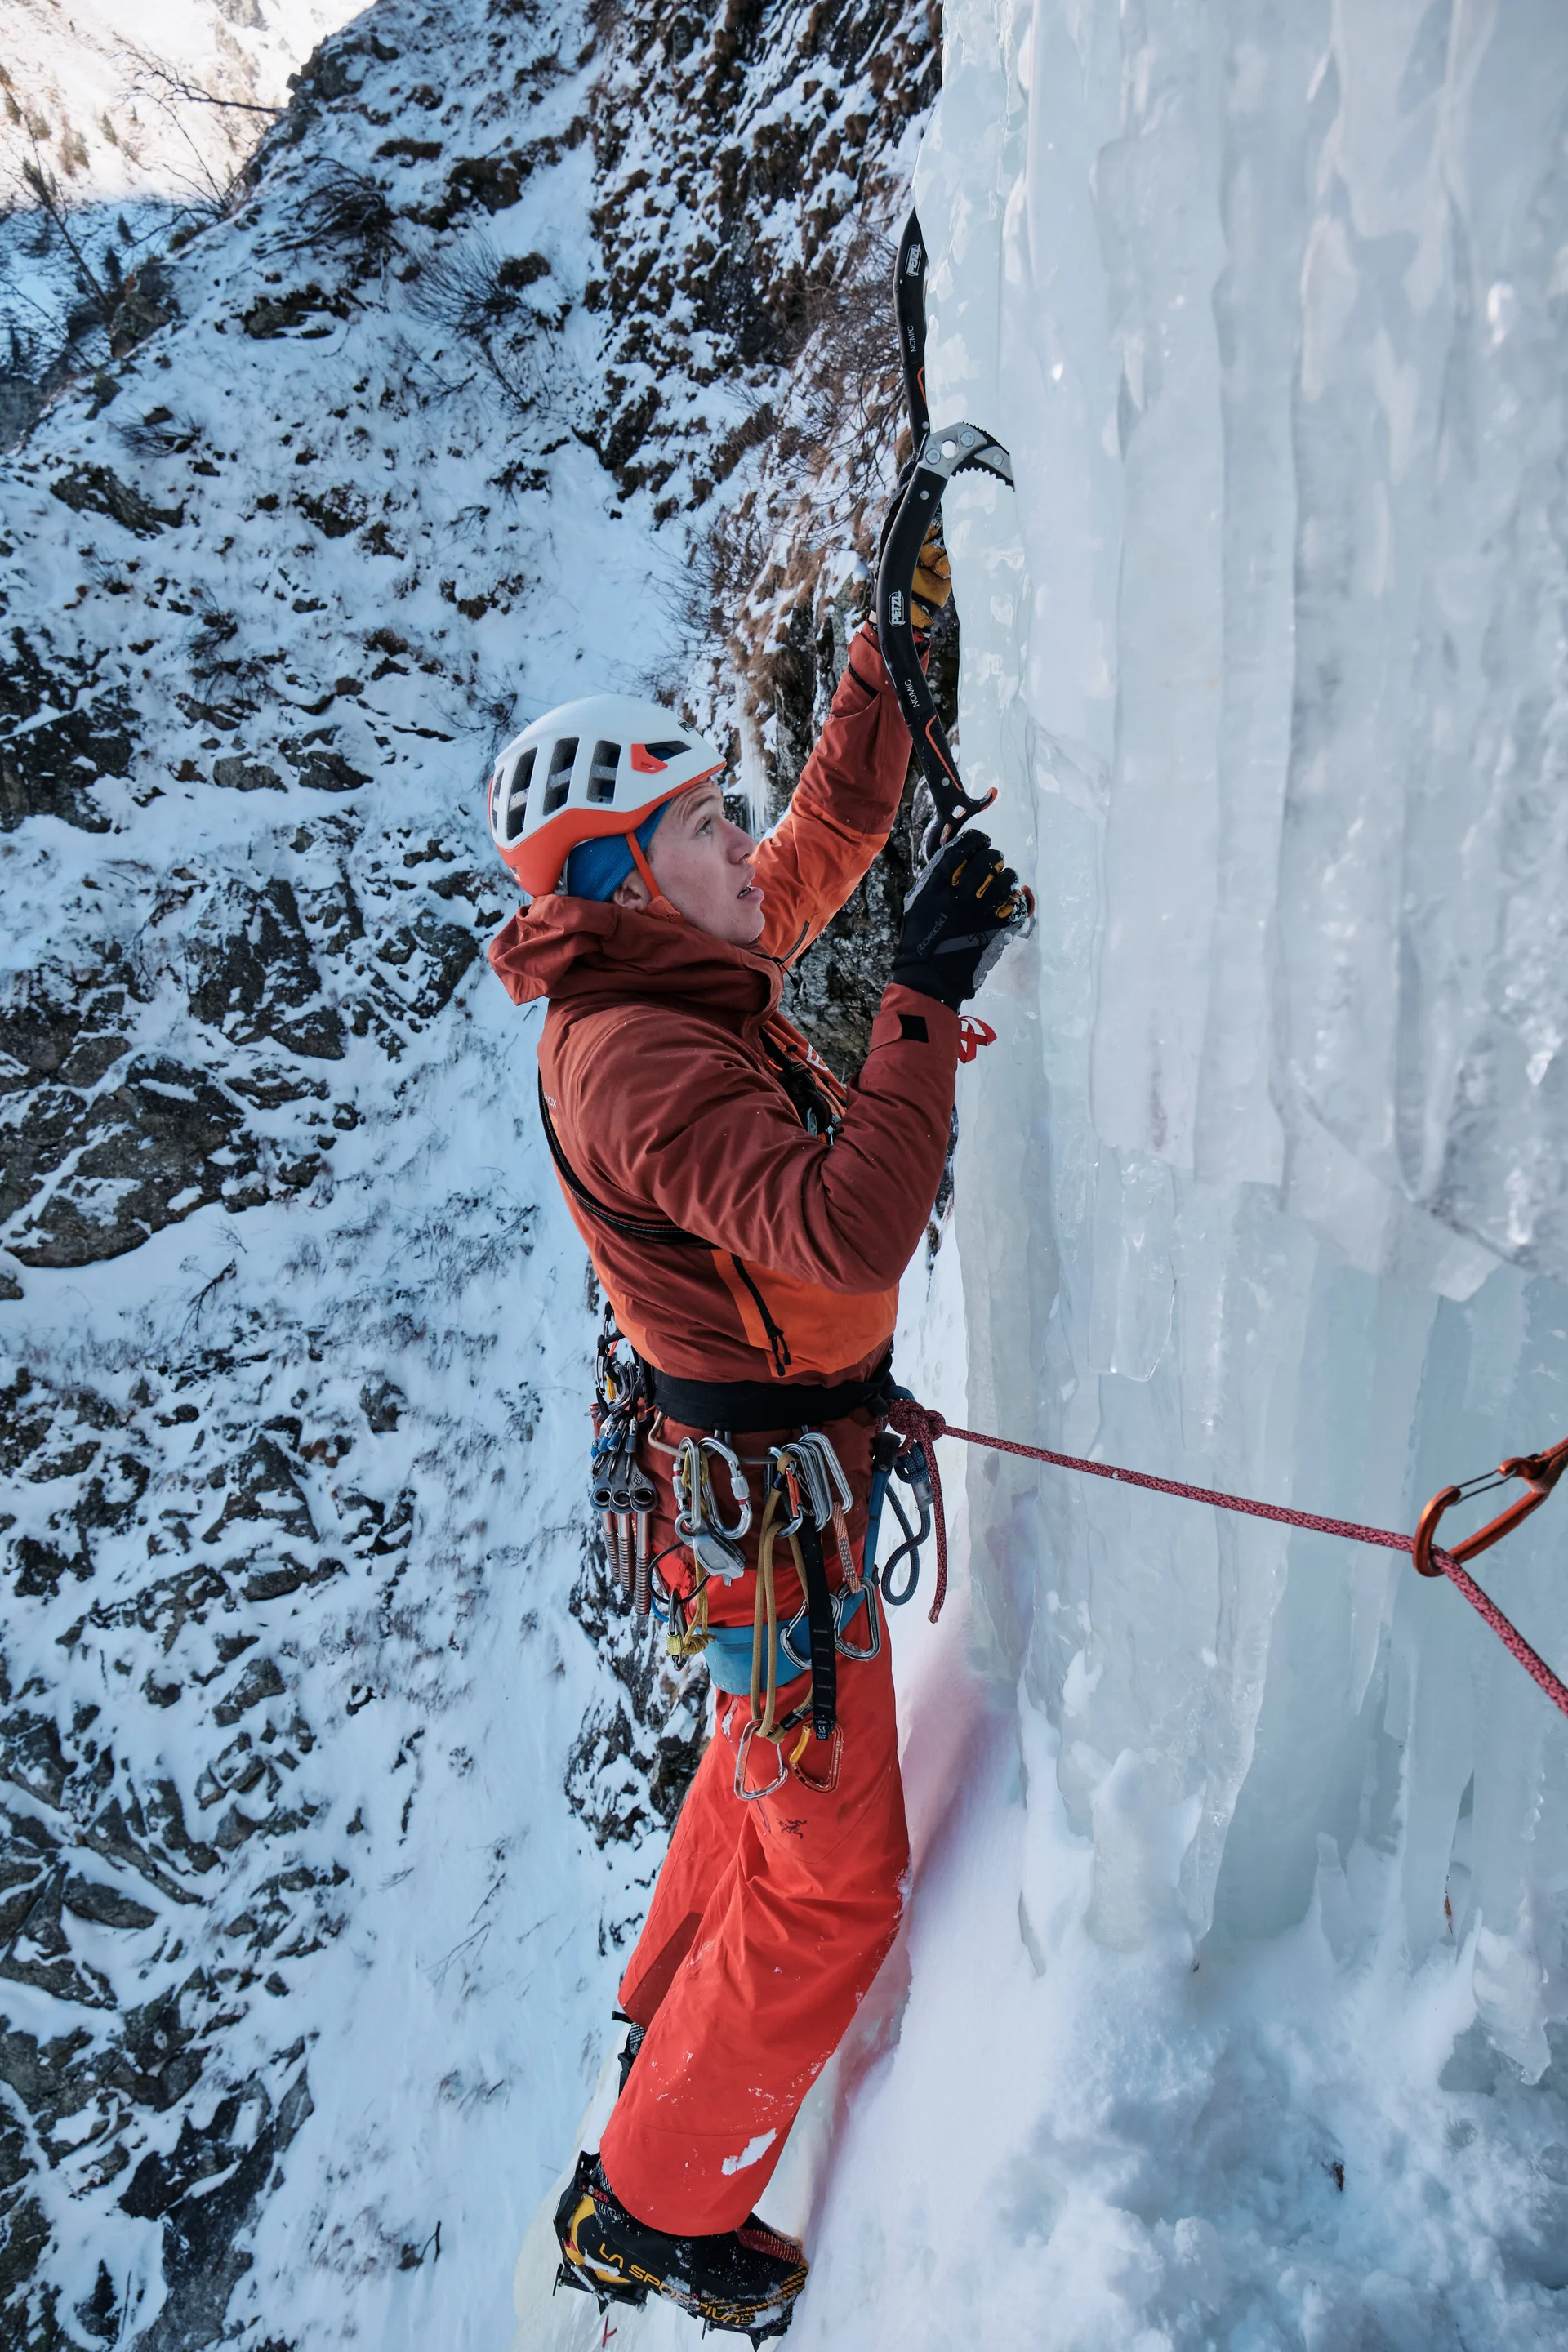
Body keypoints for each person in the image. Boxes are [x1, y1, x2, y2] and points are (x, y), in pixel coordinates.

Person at [486, 543, 1023, 2341]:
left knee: (757, 1764)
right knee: (836, 1890)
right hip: (767, 1515)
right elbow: (851, 1232)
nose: (743, 849)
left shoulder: (676, 962)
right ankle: (649, 2212)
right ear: (631, 870)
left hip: (756, 1484)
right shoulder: (635, 1059)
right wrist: (922, 995)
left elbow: (820, 843)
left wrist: (886, 661)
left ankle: (668, 2021)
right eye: (705, 824)